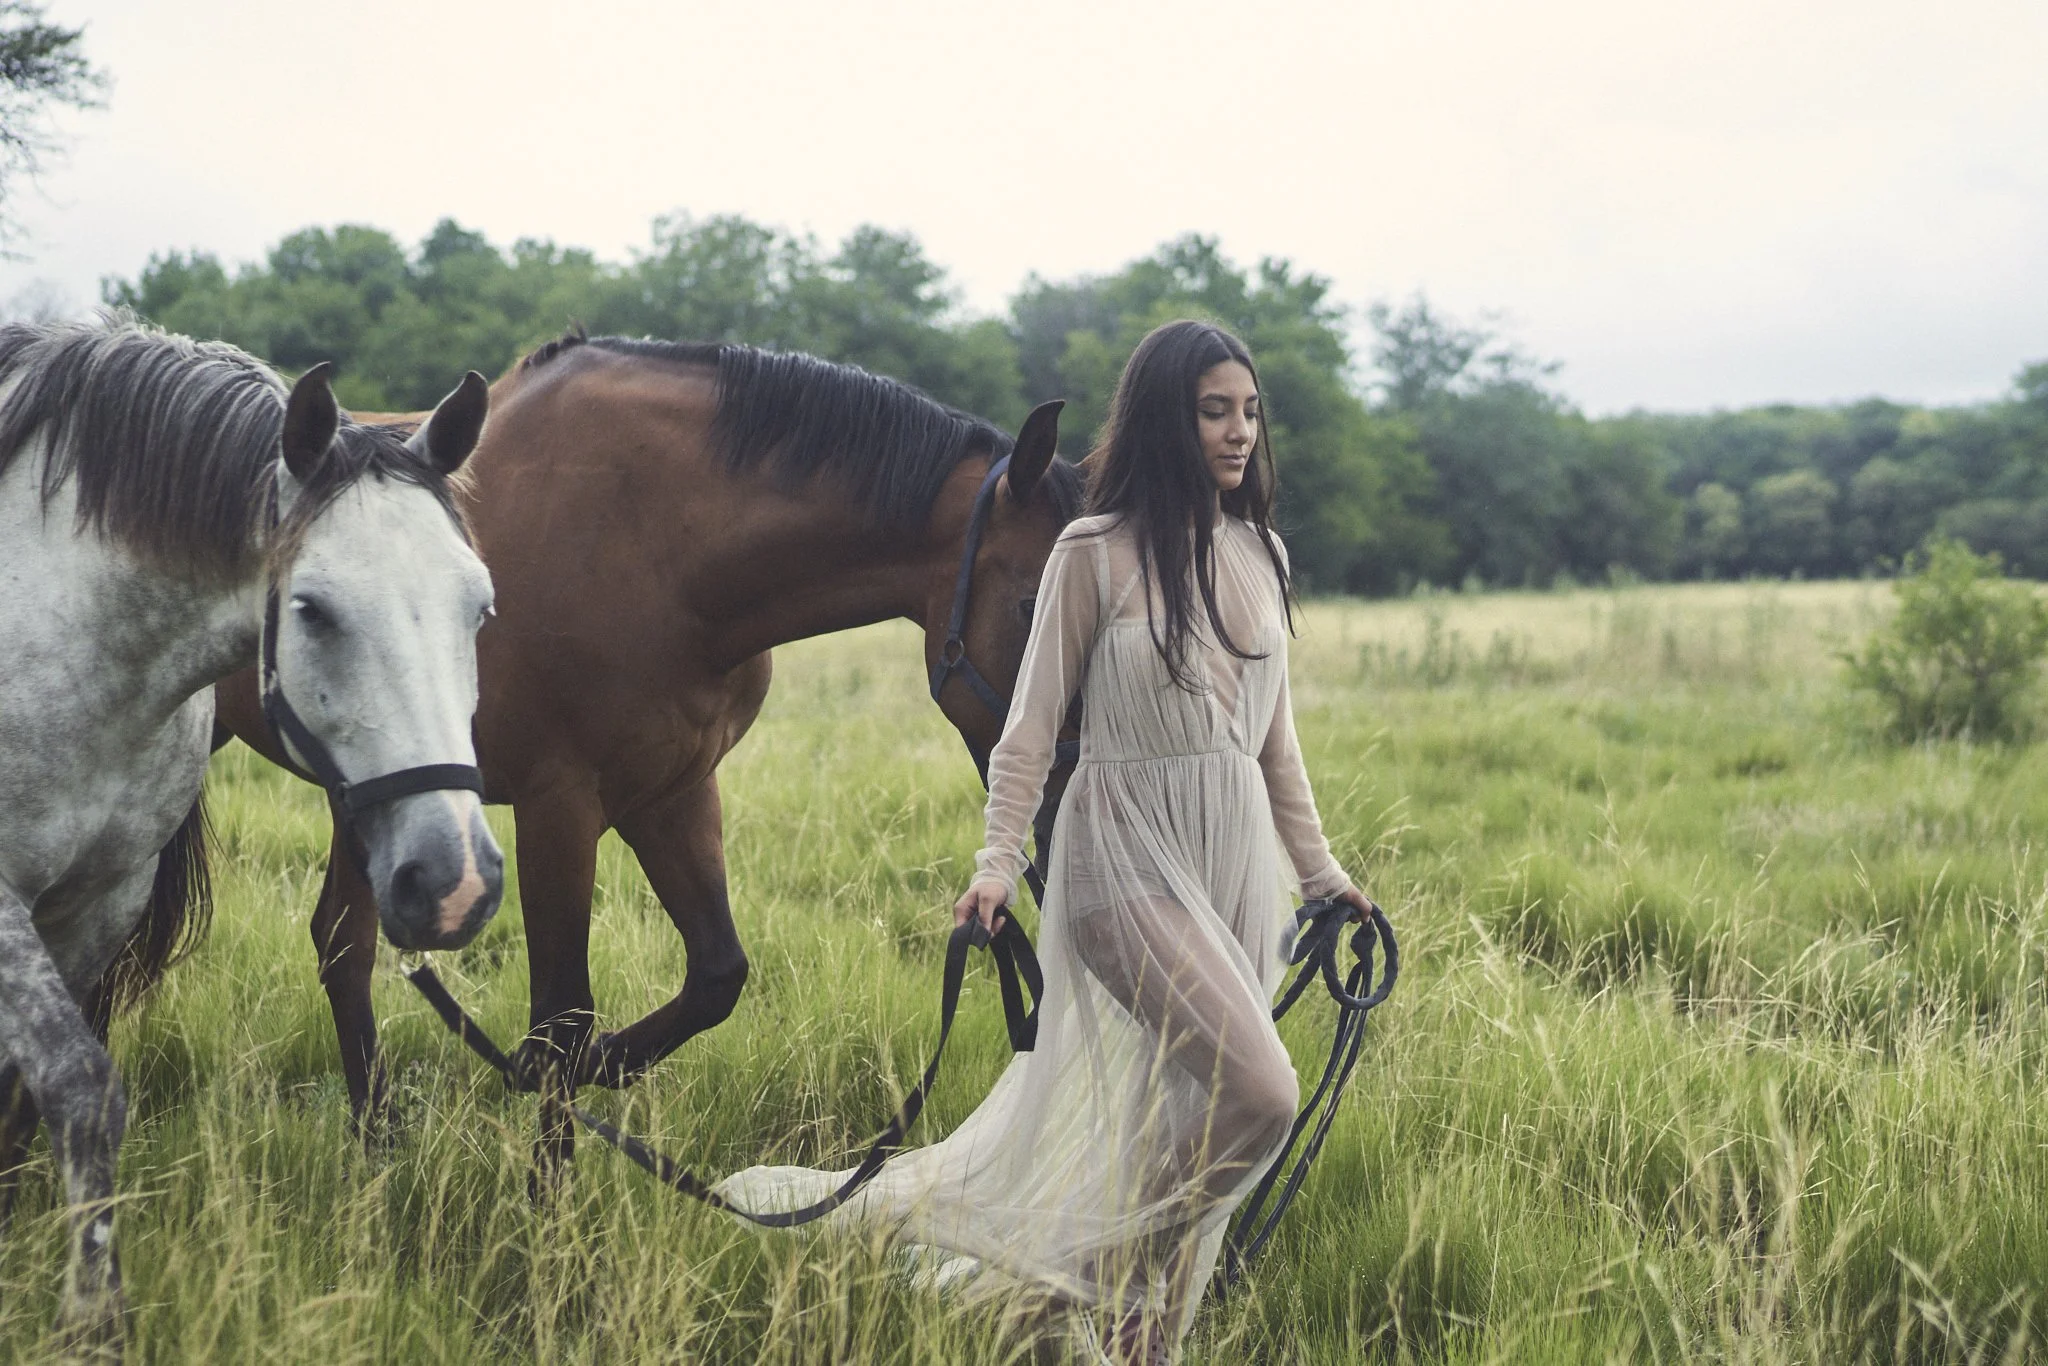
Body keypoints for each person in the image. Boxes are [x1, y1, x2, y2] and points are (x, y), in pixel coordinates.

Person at [717, 320, 1375, 1365]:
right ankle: (1098, 1274)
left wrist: (1325, 877)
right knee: (1262, 1089)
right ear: (1167, 418)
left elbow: (1273, 748)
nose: (1239, 430)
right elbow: (1026, 730)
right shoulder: (1092, 551)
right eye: (1214, 409)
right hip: (1118, 859)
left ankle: (1102, 1327)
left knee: (1199, 1112)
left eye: (1249, 410)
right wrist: (994, 863)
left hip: (1230, 861)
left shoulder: (1261, 552)